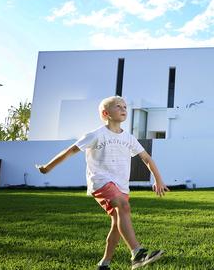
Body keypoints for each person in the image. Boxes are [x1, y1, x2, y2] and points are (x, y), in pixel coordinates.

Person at [36, 96, 169, 270]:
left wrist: (158, 179)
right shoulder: (95, 135)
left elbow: (146, 158)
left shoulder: (129, 138)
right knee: (123, 206)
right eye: (118, 106)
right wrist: (47, 167)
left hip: (121, 185)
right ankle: (138, 253)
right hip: (100, 181)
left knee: (117, 223)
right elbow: (70, 151)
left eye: (124, 107)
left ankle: (104, 263)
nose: (123, 109)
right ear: (106, 113)